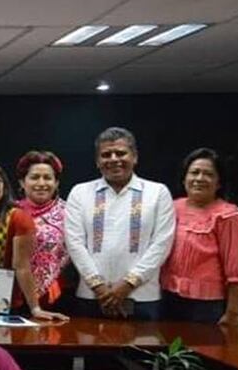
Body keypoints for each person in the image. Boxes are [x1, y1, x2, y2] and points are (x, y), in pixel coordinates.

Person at [66, 127, 175, 321]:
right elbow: (74, 243)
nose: (114, 159)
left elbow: (161, 244)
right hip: (91, 296)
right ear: (97, 161)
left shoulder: (157, 192)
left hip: (142, 297)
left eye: (121, 153)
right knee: (87, 342)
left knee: (145, 343)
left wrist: (126, 285)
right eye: (106, 155)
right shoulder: (80, 193)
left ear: (135, 157)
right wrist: (99, 287)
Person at [0, 162, 67, 320]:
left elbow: (22, 266)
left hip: (4, 306)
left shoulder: (17, 217)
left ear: (4, 185)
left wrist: (35, 308)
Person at [161, 148, 238, 326]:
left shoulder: (229, 216)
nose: (199, 178)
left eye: (208, 174)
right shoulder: (170, 207)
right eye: (194, 172)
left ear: (218, 183)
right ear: (184, 178)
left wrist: (233, 313)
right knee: (167, 345)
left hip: (205, 307)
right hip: (166, 298)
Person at [15, 151, 71, 308]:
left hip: (56, 294)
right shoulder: (9, 212)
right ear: (22, 182)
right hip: (11, 294)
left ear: (56, 183)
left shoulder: (70, 213)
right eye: (34, 177)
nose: (41, 183)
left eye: (47, 178)